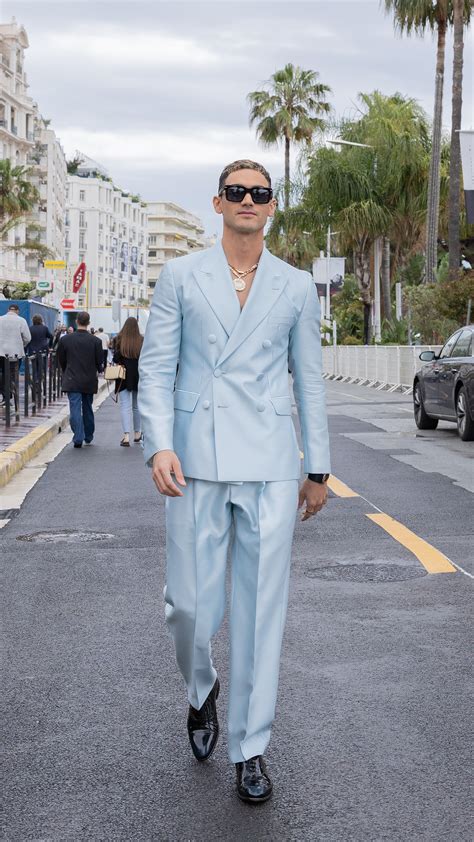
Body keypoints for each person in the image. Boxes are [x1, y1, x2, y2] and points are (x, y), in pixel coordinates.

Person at [138, 160, 331, 804]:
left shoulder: (297, 286)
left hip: (272, 464)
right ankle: (201, 690)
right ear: (218, 202)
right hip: (193, 460)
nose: (248, 200)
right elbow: (158, 367)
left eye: (260, 193)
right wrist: (159, 444)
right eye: (236, 192)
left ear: (272, 206)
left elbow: (309, 380)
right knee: (191, 606)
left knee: (258, 615)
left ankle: (251, 748)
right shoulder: (181, 275)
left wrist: (317, 467)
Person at [57, 311, 103, 448]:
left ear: (77, 321)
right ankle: (88, 435)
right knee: (88, 407)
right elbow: (99, 362)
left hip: (72, 378)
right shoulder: (96, 341)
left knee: (75, 408)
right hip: (89, 379)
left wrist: (67, 371)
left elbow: (61, 359)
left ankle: (78, 437)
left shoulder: (65, 340)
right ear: (88, 323)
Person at [112, 317, 142, 447]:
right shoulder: (142, 341)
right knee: (137, 407)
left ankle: (126, 436)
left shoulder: (119, 339)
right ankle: (137, 434)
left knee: (125, 406)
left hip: (123, 376)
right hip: (138, 376)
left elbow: (115, 358)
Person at [0, 303, 31, 403]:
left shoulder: (0, 319)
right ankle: (10, 394)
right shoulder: (21, 320)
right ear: (17, 311)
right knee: (12, 375)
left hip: (0, 352)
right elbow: (27, 338)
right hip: (15, 352)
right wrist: (22, 345)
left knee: (2, 373)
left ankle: (5, 395)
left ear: (8, 310)